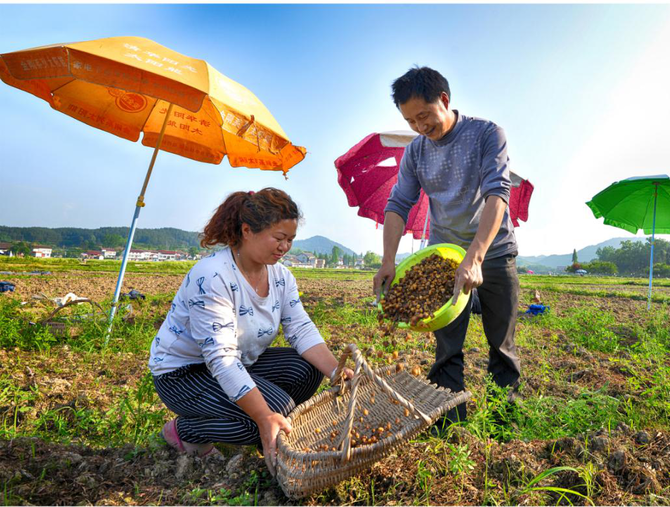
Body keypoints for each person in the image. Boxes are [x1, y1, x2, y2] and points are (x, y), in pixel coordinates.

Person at [149, 188, 352, 475]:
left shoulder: (281, 277)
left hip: (240, 363)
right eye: (279, 238)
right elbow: (220, 358)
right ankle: (185, 430)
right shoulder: (213, 276)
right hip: (183, 374)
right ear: (247, 231)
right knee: (275, 408)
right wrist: (263, 414)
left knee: (306, 369)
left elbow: (301, 328)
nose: (285, 247)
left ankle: (264, 429)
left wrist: (337, 371)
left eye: (290, 240)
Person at [373, 66, 521, 431]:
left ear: (444, 100)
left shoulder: (487, 134)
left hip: (494, 251)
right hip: (442, 257)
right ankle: (448, 423)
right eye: (410, 120)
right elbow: (397, 205)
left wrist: (475, 257)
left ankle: (506, 422)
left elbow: (497, 193)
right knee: (447, 346)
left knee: (501, 343)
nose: (420, 127)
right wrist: (388, 261)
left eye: (424, 116)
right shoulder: (416, 153)